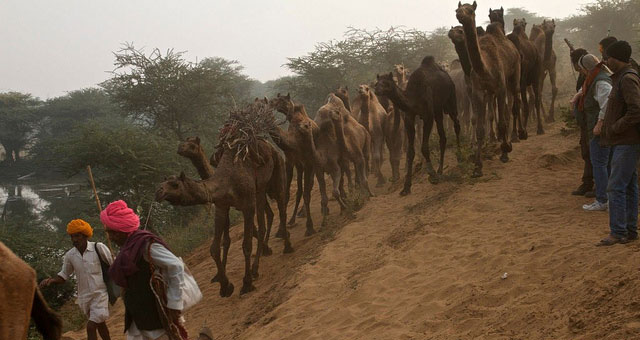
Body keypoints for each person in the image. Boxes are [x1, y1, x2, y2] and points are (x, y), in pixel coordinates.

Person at [101, 200, 186, 340]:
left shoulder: (146, 245)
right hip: (137, 319)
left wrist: (175, 303)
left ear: (124, 230)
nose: (111, 237)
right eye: (109, 232)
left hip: (155, 318)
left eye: (114, 233)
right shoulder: (128, 248)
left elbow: (176, 266)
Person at [39, 219, 112, 340]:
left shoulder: (98, 248)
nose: (74, 240)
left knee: (91, 326)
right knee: (100, 323)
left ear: (85, 235)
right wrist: (51, 280)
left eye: (77, 236)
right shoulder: (70, 255)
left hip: (100, 294)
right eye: (72, 236)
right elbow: (63, 276)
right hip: (85, 297)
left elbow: (112, 266)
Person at [597, 40, 640, 246]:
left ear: (617, 59)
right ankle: (629, 230)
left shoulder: (627, 79)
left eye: (609, 58)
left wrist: (615, 128)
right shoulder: (622, 78)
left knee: (615, 187)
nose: (607, 61)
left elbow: (636, 110)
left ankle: (618, 232)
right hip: (625, 140)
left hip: (627, 141)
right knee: (629, 185)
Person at [570, 54, 613, 211]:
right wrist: (577, 95)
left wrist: (600, 123)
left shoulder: (601, 81)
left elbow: (607, 103)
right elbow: (586, 88)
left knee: (600, 164)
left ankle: (603, 200)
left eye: (582, 69)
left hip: (599, 130)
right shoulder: (594, 78)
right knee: (604, 164)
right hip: (596, 129)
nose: (581, 72)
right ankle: (607, 199)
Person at [570, 48, 595, 197]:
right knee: (587, 151)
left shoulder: (592, 77)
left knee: (592, 152)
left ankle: (592, 184)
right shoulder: (586, 76)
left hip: (590, 121)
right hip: (585, 120)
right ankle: (588, 182)